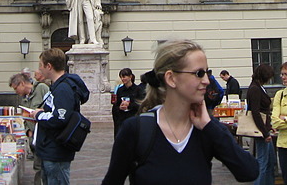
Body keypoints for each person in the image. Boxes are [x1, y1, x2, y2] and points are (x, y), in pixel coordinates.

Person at [101, 39, 258, 185]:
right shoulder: (136, 130)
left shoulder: (206, 130)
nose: (207, 81)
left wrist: (210, 126)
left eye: (207, 73)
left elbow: (249, 172)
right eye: (199, 73)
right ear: (171, 78)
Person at [31, 48, 90, 185]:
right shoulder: (58, 86)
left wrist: (39, 115)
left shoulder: (63, 88)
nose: (39, 69)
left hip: (56, 151)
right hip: (50, 149)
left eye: (41, 65)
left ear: (49, 66)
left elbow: (59, 118)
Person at [10, 71, 50, 185]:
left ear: (22, 84)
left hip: (46, 135)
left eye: (15, 88)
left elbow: (51, 107)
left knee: (47, 168)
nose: (15, 92)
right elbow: (25, 117)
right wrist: (28, 131)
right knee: (38, 167)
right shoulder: (24, 99)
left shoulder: (42, 88)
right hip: (35, 138)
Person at [247, 63, 277, 185]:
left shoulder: (257, 86)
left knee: (270, 161)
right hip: (261, 131)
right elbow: (256, 112)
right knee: (263, 162)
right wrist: (265, 133)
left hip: (264, 129)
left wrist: (269, 128)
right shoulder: (255, 88)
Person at [111, 68, 143, 137]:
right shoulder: (120, 90)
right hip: (122, 118)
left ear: (130, 77)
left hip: (133, 117)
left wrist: (129, 105)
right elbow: (116, 104)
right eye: (121, 77)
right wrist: (119, 107)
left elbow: (140, 104)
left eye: (124, 77)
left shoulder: (137, 90)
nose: (123, 79)